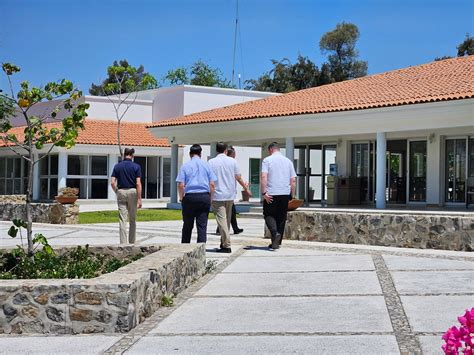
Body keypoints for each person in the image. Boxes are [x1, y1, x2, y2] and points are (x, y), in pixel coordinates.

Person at [209, 142, 251, 253]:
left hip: (217, 195)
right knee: (226, 220)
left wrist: (209, 195)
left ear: (216, 150)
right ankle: (223, 243)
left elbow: (210, 181)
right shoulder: (233, 162)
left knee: (221, 221)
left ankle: (226, 245)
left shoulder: (211, 162)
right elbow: (238, 177)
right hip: (230, 195)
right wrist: (246, 188)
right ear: (226, 151)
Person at [177, 144, 216, 244]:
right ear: (200, 154)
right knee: (202, 225)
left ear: (190, 154)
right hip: (204, 196)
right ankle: (201, 250)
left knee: (187, 225)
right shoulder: (207, 165)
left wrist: (181, 197)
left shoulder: (185, 166)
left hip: (189, 197)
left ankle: (184, 248)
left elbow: (181, 185)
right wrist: (210, 198)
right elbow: (212, 184)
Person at [260, 142, 296, 250]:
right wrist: (292, 195)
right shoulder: (288, 161)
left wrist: (263, 193)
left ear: (271, 149)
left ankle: (275, 234)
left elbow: (263, 176)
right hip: (285, 193)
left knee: (268, 215)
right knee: (281, 217)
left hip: (271, 193)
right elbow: (293, 180)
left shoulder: (267, 160)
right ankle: (277, 243)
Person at [111, 148, 142, 244]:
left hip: (121, 191)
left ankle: (123, 243)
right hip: (132, 191)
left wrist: (117, 191)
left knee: (122, 219)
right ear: (132, 155)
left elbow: (112, 182)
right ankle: (132, 242)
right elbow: (138, 183)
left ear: (124, 154)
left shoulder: (117, 166)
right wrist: (139, 199)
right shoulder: (136, 166)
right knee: (132, 219)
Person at [215, 147, 244, 235]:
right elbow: (238, 177)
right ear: (228, 153)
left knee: (228, 213)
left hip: (222, 193)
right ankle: (224, 231)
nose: (235, 156)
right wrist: (245, 188)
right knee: (227, 213)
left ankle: (231, 229)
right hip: (227, 193)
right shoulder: (231, 162)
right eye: (234, 154)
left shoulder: (216, 162)